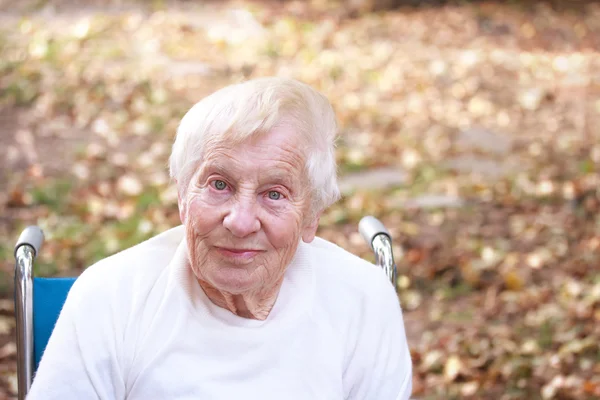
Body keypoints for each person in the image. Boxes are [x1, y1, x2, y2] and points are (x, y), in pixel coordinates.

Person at [28, 77, 413, 399]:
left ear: (311, 216)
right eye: (219, 184)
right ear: (181, 196)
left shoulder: (363, 302)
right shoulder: (110, 296)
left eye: (274, 194)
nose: (241, 222)